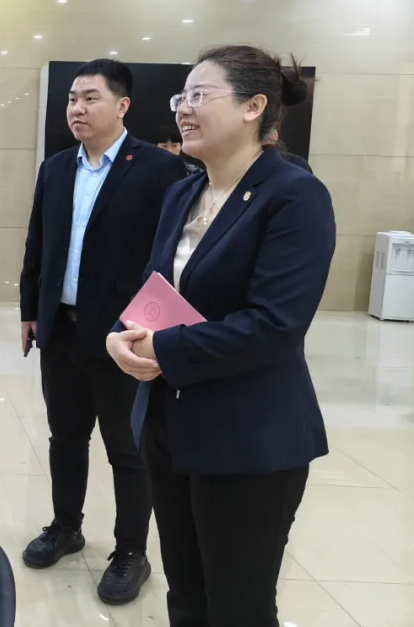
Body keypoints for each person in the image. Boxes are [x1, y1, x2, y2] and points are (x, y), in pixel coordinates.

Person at [106, 45, 334, 627]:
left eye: (199, 95)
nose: (182, 109)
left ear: (254, 106)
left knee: (237, 607)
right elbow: (154, 290)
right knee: (186, 596)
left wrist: (162, 351)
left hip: (247, 438)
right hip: (170, 426)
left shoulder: (294, 195)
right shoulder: (183, 193)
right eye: (181, 97)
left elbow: (274, 325)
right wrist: (120, 335)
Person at [20, 59, 186, 605]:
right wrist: (30, 311)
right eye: (73, 98)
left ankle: (132, 551)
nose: (77, 108)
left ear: (122, 106)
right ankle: (65, 527)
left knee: (127, 449)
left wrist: (149, 330)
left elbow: (167, 261)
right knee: (65, 438)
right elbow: (38, 244)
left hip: (123, 338)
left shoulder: (160, 171)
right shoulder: (56, 168)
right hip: (61, 331)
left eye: (90, 98)